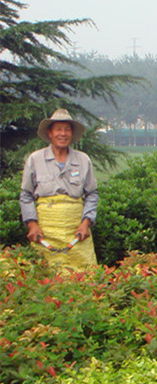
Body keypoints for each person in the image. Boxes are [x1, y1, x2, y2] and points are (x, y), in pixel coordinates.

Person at [20, 108, 99, 271]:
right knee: (46, 278)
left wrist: (86, 223)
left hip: (77, 231)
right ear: (50, 132)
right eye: (58, 129)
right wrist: (32, 225)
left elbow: (92, 194)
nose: (62, 134)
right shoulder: (35, 159)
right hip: (45, 231)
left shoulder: (83, 160)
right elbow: (26, 195)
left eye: (67, 129)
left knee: (84, 276)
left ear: (72, 133)